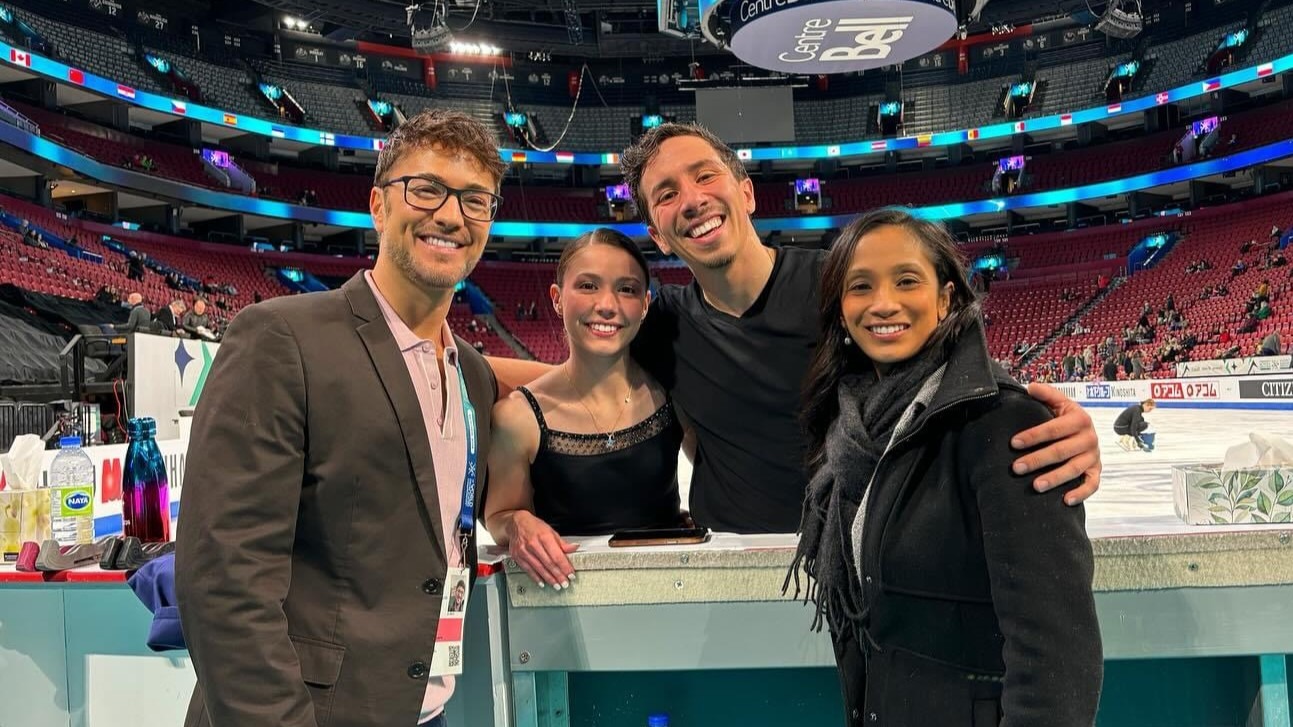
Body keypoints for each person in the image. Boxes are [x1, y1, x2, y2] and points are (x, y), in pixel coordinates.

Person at [489, 123, 1102, 535]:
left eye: (706, 176)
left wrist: (1041, 418)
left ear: (746, 192)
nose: (693, 199)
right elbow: (572, 377)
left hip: (860, 561)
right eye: (667, 193)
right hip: (726, 564)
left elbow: (951, 367)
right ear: (657, 232)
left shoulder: (840, 286)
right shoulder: (663, 322)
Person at [174, 109, 506, 727]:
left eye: (475, 200)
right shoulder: (281, 338)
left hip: (421, 707)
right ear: (378, 205)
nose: (452, 215)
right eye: (427, 189)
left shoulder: (475, 378)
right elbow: (224, 577)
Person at [789, 209, 1102, 726]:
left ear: (946, 298)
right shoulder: (846, 429)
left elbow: (1056, 654)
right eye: (860, 286)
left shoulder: (1004, 423)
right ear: (841, 311)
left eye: (906, 280)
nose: (883, 303)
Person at [485, 229, 684, 588]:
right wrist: (516, 523)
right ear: (557, 299)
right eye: (588, 286)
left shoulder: (672, 394)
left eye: (627, 289)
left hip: (672, 592)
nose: (607, 304)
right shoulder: (517, 417)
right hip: (565, 606)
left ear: (645, 304)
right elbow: (498, 515)